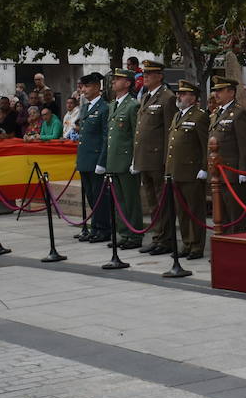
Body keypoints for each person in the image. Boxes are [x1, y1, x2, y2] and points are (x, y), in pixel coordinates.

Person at [133, 59, 177, 255]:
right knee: (152, 201)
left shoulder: (167, 97)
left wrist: (167, 160)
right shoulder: (145, 97)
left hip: (158, 159)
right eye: (145, 73)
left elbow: (169, 131)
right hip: (145, 158)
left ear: (160, 76)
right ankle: (157, 236)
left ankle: (166, 239)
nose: (146, 77)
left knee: (162, 201)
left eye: (150, 74)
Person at [165, 80, 209, 260]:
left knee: (194, 210)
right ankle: (187, 243)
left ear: (193, 97)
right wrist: (168, 169)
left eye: (183, 94)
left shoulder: (200, 116)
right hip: (176, 171)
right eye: (179, 93)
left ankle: (196, 246)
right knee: (182, 212)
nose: (179, 96)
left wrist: (204, 168)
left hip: (192, 172)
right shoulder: (177, 115)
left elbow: (205, 145)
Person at [210, 77, 246, 235]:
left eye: (220, 90)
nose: (216, 94)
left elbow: (245, 144)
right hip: (218, 173)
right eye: (215, 91)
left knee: (234, 216)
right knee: (221, 217)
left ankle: (236, 244)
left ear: (231, 92)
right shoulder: (216, 113)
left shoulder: (239, 113)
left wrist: (244, 170)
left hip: (232, 173)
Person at [105, 69, 143, 249]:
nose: (113, 82)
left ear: (127, 83)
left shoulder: (133, 105)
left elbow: (136, 135)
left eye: (118, 79)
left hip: (127, 161)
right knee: (119, 201)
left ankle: (134, 235)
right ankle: (124, 233)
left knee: (130, 201)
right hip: (114, 161)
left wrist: (136, 160)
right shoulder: (113, 105)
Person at [75, 73, 112, 242]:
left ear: (97, 87)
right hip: (85, 159)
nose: (83, 90)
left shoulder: (104, 108)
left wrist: (102, 162)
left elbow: (105, 137)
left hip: (96, 159)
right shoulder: (85, 107)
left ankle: (104, 229)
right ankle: (95, 227)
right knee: (90, 195)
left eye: (87, 86)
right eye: (82, 86)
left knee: (99, 197)